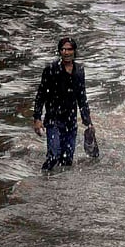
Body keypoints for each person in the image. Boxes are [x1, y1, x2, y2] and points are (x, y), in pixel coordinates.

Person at [33, 37, 93, 172]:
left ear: (74, 51)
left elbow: (82, 97)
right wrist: (37, 118)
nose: (66, 52)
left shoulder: (79, 70)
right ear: (59, 51)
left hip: (70, 121)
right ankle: (43, 181)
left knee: (67, 161)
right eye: (63, 49)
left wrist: (88, 122)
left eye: (69, 49)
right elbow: (41, 95)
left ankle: (61, 188)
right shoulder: (51, 69)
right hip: (53, 119)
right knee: (53, 156)